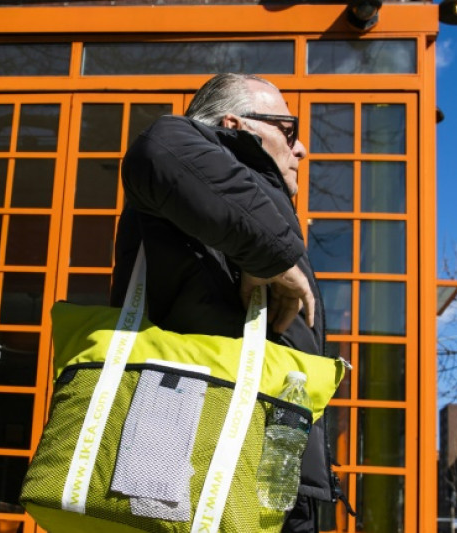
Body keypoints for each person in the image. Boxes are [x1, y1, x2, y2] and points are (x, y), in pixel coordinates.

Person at [110, 73, 335, 532]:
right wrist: (271, 252)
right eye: (287, 130)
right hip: (185, 462)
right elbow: (160, 146)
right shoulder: (185, 166)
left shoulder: (250, 207)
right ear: (237, 125)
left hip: (268, 473)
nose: (302, 149)